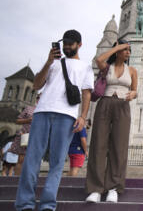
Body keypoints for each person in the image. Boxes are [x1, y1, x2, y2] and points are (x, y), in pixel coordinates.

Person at [15, 30, 94, 211]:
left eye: (71, 44)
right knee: (32, 159)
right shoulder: (53, 64)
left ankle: (48, 205)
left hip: (66, 116)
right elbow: (36, 85)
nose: (67, 46)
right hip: (42, 112)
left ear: (79, 45)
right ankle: (25, 203)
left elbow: (86, 93)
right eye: (65, 43)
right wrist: (49, 61)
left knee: (57, 162)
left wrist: (83, 116)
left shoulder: (85, 67)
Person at [85, 39, 138, 203]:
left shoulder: (132, 70)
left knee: (119, 146)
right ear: (117, 50)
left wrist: (133, 94)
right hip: (105, 103)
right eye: (125, 49)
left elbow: (135, 90)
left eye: (129, 50)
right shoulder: (107, 67)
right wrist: (117, 47)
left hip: (122, 106)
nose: (128, 52)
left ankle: (113, 188)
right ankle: (95, 189)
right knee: (98, 144)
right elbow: (99, 60)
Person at [10, 95, 38, 176]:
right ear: (36, 99)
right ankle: (16, 180)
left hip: (39, 137)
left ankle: (29, 180)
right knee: (21, 160)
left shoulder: (47, 111)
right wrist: (28, 120)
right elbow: (17, 120)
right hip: (26, 136)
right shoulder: (29, 108)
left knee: (34, 160)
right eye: (39, 97)